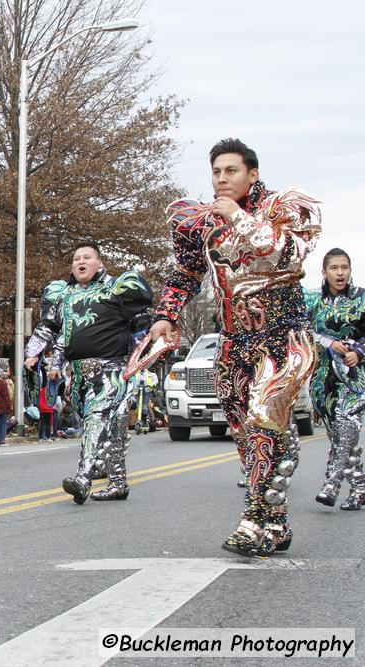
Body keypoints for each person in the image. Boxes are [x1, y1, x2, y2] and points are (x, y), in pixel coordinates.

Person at [149, 138, 320, 556]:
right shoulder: (200, 222)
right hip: (232, 340)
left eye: (231, 171)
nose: (222, 179)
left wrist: (240, 218)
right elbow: (184, 274)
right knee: (245, 433)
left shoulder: (284, 207)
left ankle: (251, 521)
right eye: (217, 172)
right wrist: (166, 315)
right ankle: (275, 523)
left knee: (264, 419)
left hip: (282, 337)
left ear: (252, 174)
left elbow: (288, 253)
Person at [24, 242, 152, 504]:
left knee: (96, 418)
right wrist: (36, 353)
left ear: (99, 263)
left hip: (114, 371)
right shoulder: (63, 295)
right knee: (112, 428)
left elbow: (142, 325)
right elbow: (55, 331)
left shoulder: (116, 289)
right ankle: (118, 483)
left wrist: (140, 359)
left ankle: (83, 477)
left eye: (87, 257)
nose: (81, 262)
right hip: (80, 375)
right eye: (76, 258)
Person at [304, 248, 365, 510]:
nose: (340, 273)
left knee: (346, 420)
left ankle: (332, 483)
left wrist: (358, 353)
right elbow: (300, 330)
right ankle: (360, 486)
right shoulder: (313, 301)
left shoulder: (362, 298)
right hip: (323, 378)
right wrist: (328, 342)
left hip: (356, 377)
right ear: (324, 271)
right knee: (337, 434)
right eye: (334, 268)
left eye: (344, 267)